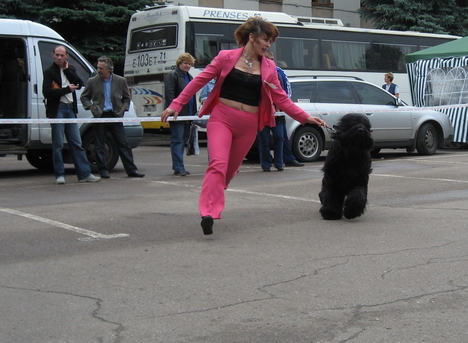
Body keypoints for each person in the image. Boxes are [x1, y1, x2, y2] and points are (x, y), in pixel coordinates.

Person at [161, 16, 327, 236]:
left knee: (229, 171)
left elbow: (282, 99)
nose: (268, 45)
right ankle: (208, 212)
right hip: (222, 118)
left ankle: (215, 192)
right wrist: (176, 104)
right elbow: (199, 81)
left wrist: (305, 117)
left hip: (249, 124)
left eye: (271, 41)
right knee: (217, 164)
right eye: (265, 39)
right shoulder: (225, 57)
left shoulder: (269, 67)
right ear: (252, 37)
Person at [43, 45, 101, 185]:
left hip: (70, 109)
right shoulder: (49, 72)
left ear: (66, 57)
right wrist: (66, 90)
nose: (59, 58)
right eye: (57, 55)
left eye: (62, 55)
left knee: (76, 143)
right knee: (58, 144)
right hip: (58, 109)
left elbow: (79, 84)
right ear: (53, 55)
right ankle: (60, 174)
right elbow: (47, 92)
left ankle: (84, 174)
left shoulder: (71, 69)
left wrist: (67, 70)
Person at [80, 56, 145, 178]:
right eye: (98, 67)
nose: (98, 70)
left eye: (101, 68)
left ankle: (131, 170)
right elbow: (84, 97)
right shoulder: (92, 81)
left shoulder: (120, 81)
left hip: (115, 116)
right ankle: (103, 170)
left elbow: (126, 98)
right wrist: (91, 107)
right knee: (99, 144)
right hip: (100, 116)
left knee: (123, 143)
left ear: (109, 69)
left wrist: (123, 109)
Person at [165, 53, 197, 176]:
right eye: (185, 63)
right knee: (177, 140)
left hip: (188, 114)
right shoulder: (172, 75)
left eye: (189, 64)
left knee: (183, 140)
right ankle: (178, 168)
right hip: (177, 115)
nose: (187, 65)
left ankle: (179, 166)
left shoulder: (190, 77)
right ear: (179, 63)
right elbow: (170, 94)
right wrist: (173, 109)